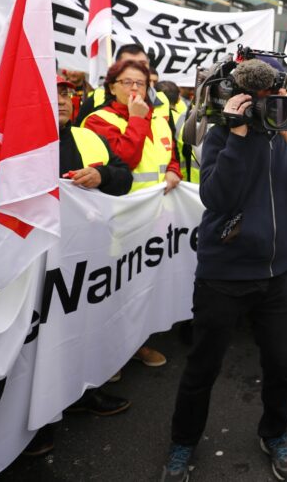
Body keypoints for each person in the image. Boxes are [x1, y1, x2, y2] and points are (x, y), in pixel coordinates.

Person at [162, 69, 287, 482]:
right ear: (242, 98)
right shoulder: (221, 135)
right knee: (203, 367)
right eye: (262, 97)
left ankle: (275, 433)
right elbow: (217, 198)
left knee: (280, 365)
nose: (271, 104)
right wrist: (236, 135)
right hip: (223, 276)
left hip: (276, 276)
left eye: (277, 95)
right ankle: (183, 442)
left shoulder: (285, 138)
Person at [23, 75, 135, 456]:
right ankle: (31, 423)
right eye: (52, 93)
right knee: (34, 344)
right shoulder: (18, 143)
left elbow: (124, 178)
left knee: (81, 329)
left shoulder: (88, 138)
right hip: (31, 267)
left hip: (84, 263)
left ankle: (84, 391)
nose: (63, 100)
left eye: (67, 92)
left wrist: (103, 174)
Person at [83, 59, 181, 368]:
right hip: (119, 225)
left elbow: (170, 156)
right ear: (112, 87)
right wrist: (137, 120)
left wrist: (175, 171)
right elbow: (123, 161)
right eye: (127, 82)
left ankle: (138, 343)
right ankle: (107, 355)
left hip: (155, 222)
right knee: (114, 293)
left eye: (141, 83)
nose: (135, 88)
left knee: (143, 289)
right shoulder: (97, 121)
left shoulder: (159, 119)